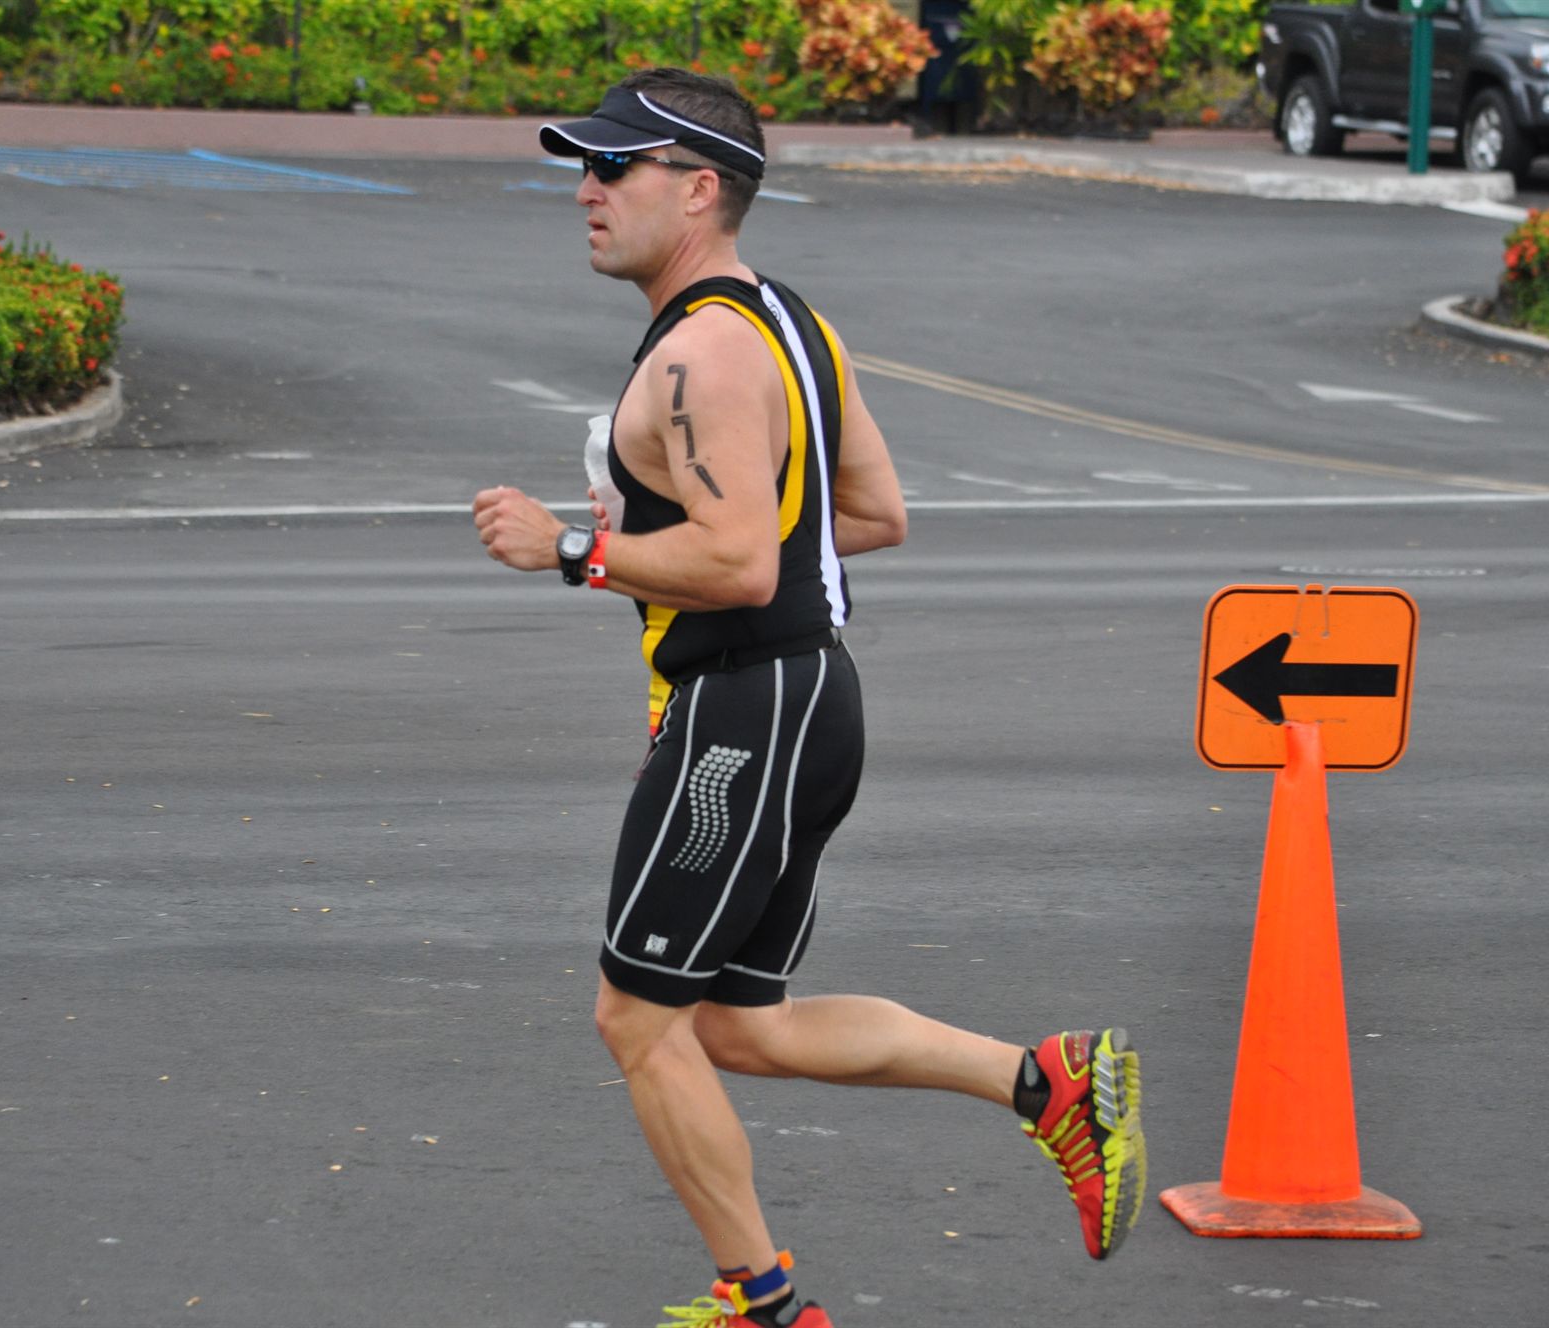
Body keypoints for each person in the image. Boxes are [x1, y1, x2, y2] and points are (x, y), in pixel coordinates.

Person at [471, 68, 1146, 1328]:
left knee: (636, 1016)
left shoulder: (701, 352)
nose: (584, 190)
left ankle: (764, 1304)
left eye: (612, 167)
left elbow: (741, 564)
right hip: (794, 702)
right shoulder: (787, 323)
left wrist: (572, 548)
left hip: (746, 715)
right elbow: (871, 514)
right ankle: (1044, 1081)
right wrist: (681, 536)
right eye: (583, 166)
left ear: (698, 188)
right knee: (735, 1024)